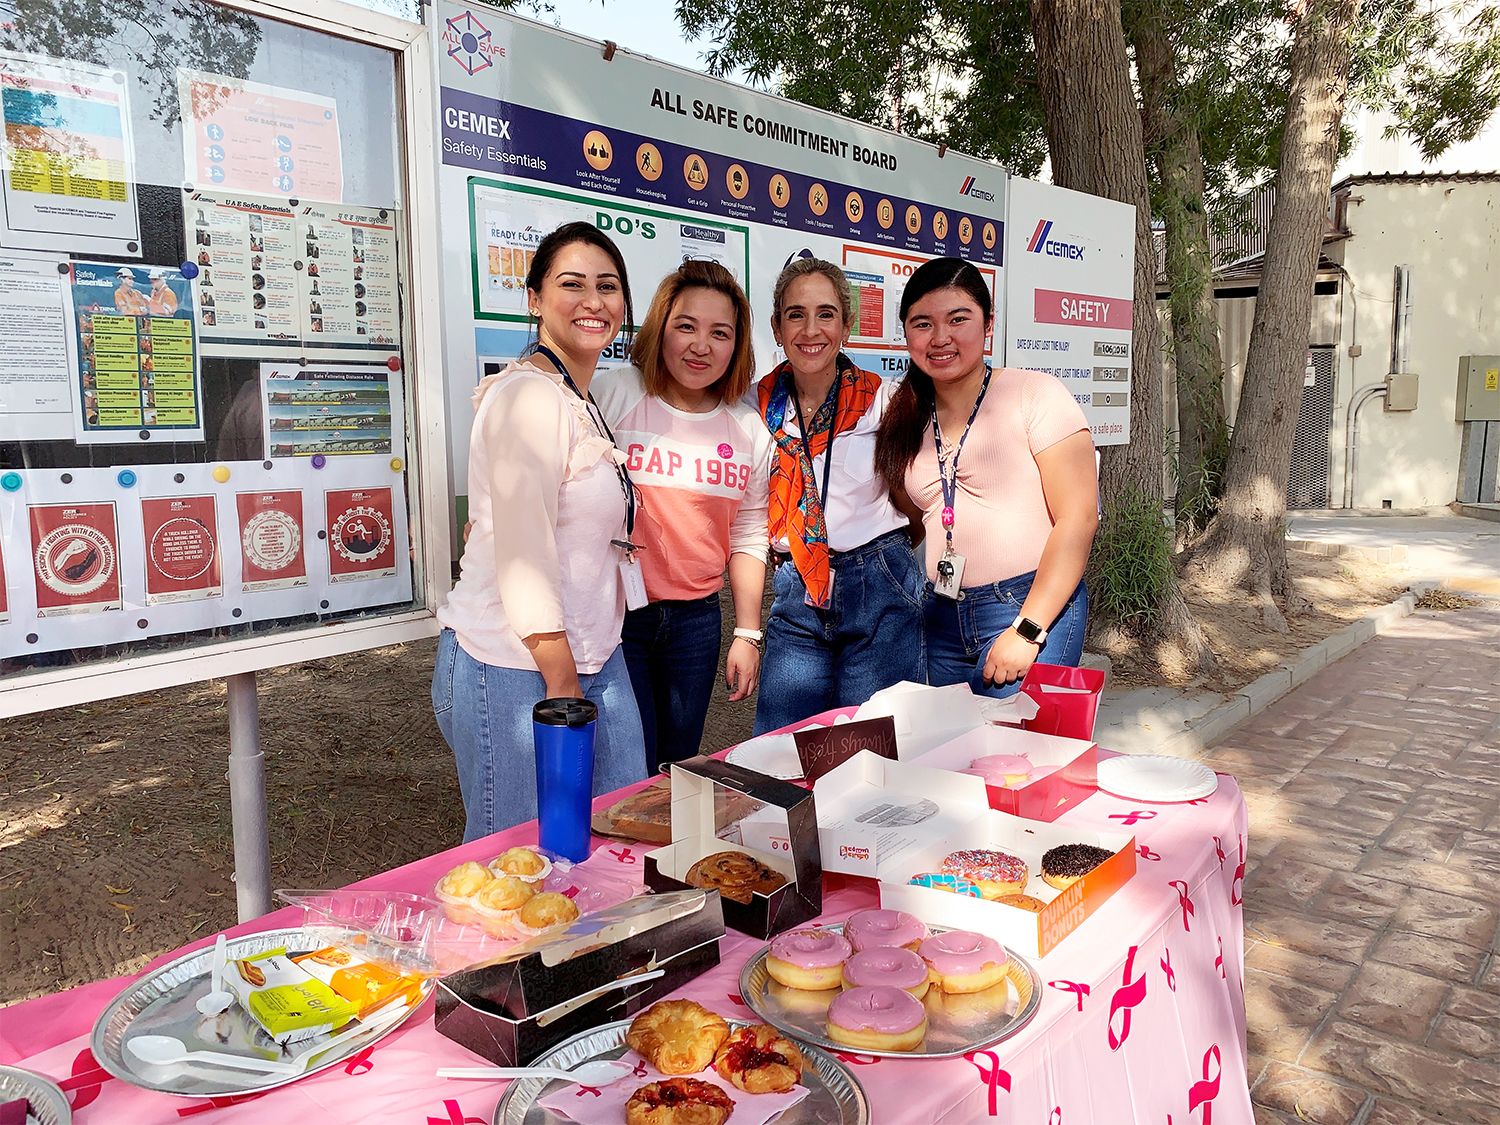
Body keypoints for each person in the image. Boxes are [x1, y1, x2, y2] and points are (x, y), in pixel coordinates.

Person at [433, 221, 647, 840]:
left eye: (608, 287)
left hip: (591, 658)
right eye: (571, 284)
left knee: (612, 846)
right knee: (524, 864)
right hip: (514, 664)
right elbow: (523, 555)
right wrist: (563, 690)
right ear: (534, 298)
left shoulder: (578, 397)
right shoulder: (529, 398)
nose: (593, 301)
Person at [874, 257, 1098, 697]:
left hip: (1026, 605)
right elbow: (917, 518)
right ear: (906, 334)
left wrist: (1028, 629)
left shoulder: (1036, 394)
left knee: (1015, 759)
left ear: (988, 323)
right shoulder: (907, 417)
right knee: (954, 757)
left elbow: (1080, 518)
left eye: (958, 319)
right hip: (941, 614)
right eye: (923, 324)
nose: (941, 338)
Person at [593, 260, 773, 770]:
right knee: (627, 763)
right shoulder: (616, 394)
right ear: (660, 329)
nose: (701, 346)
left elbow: (749, 534)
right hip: (615, 613)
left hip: (696, 622)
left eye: (720, 333)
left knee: (676, 767)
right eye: (686, 326)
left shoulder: (747, 429)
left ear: (737, 346)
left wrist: (748, 633)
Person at [752, 257, 926, 735]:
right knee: (781, 751)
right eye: (796, 314)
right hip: (795, 590)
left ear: (847, 325)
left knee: (871, 752)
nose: (811, 329)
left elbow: (915, 499)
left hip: (878, 586)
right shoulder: (755, 406)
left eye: (826, 314)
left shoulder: (884, 400)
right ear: (777, 326)